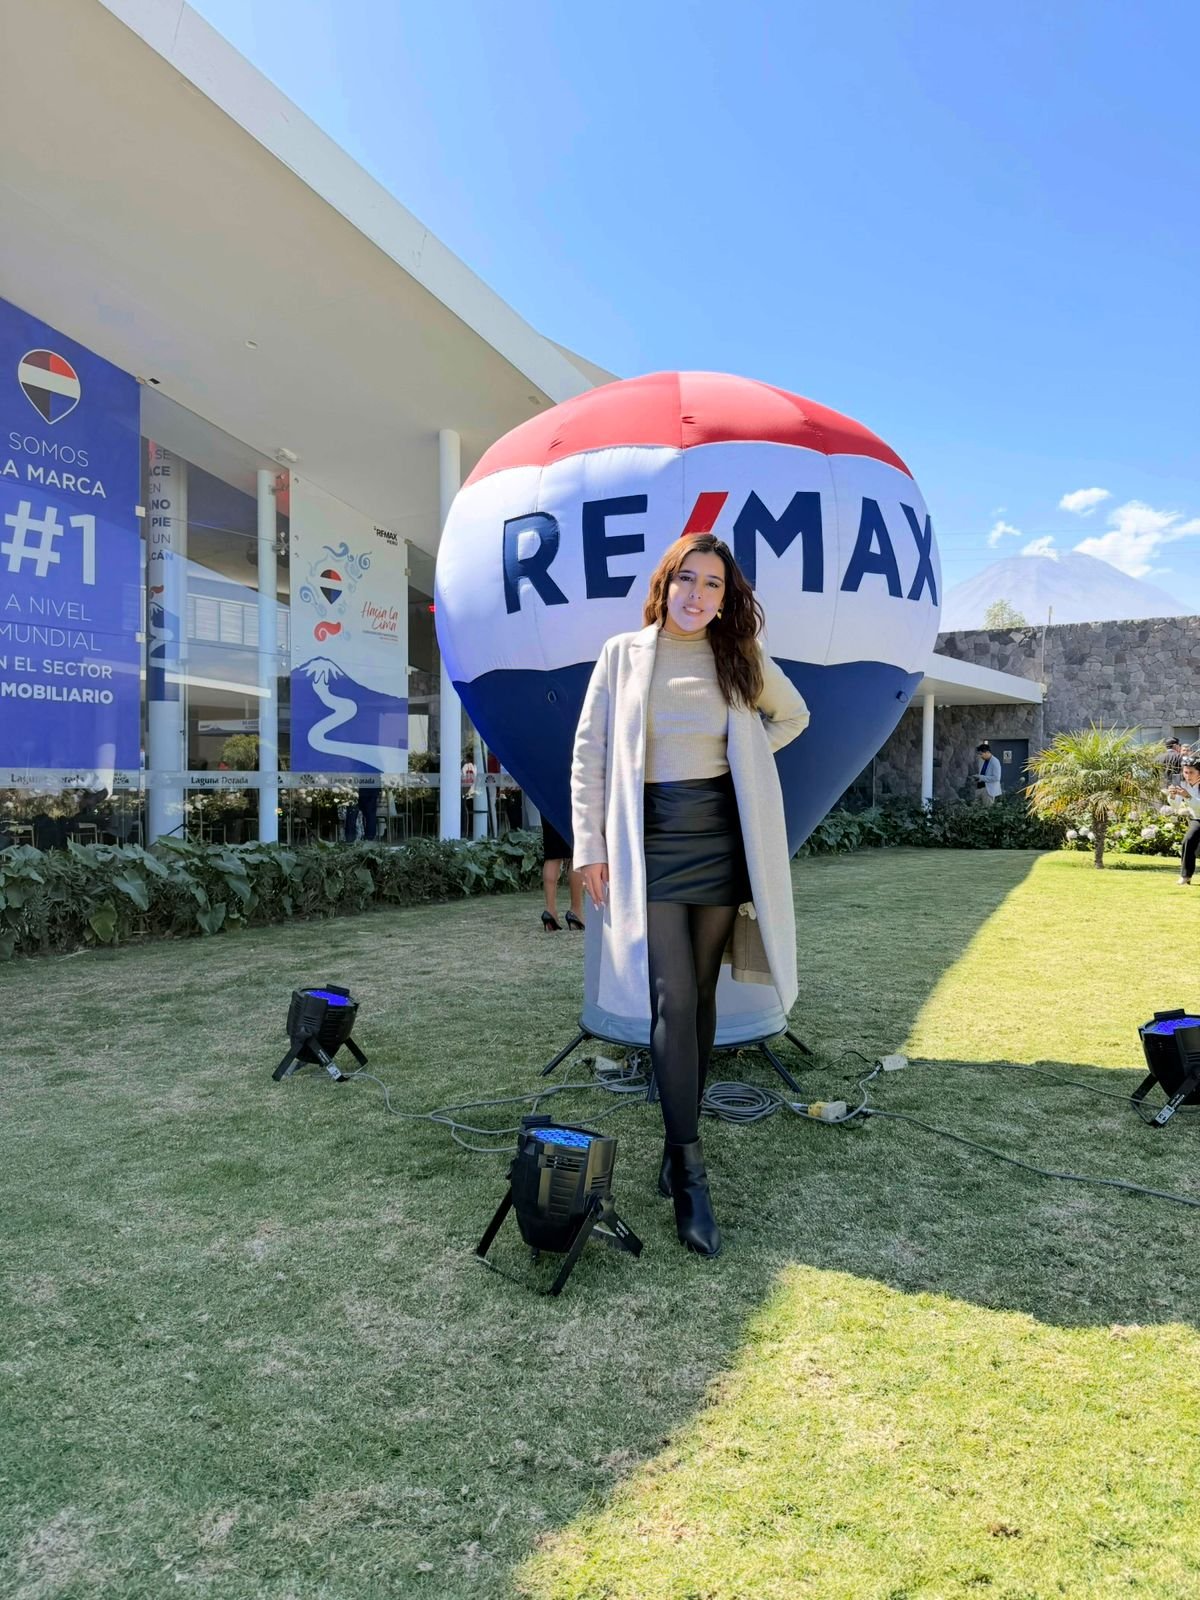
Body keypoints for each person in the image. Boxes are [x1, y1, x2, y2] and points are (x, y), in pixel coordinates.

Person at [571, 533, 809, 1258]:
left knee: (701, 994)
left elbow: (792, 717)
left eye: (713, 584)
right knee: (671, 997)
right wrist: (589, 846)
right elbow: (589, 753)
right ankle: (692, 1173)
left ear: (726, 597)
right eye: (688, 579)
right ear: (665, 584)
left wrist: (746, 760)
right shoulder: (622, 654)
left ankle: (676, 1153)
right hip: (648, 839)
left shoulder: (740, 655)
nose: (698, 594)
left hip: (720, 835)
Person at [539, 814, 585, 932]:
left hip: (549, 806)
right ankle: (576, 911)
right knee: (576, 854)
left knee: (552, 856)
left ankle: (550, 911)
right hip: (570, 806)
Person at [1167, 760, 1200, 885]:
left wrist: (1188, 797)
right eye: (1185, 772)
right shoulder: (1181, 784)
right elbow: (1175, 805)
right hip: (1197, 819)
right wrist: (1172, 796)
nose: (1188, 775)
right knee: (1188, 840)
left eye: (1191, 772)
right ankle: (1186, 876)